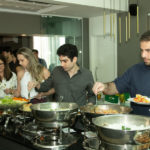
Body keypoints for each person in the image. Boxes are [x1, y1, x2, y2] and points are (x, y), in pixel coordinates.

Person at [92, 30, 150, 116]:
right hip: (138, 125)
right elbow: (114, 87)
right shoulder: (134, 71)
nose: (143, 55)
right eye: (142, 50)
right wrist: (104, 86)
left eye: (148, 50)